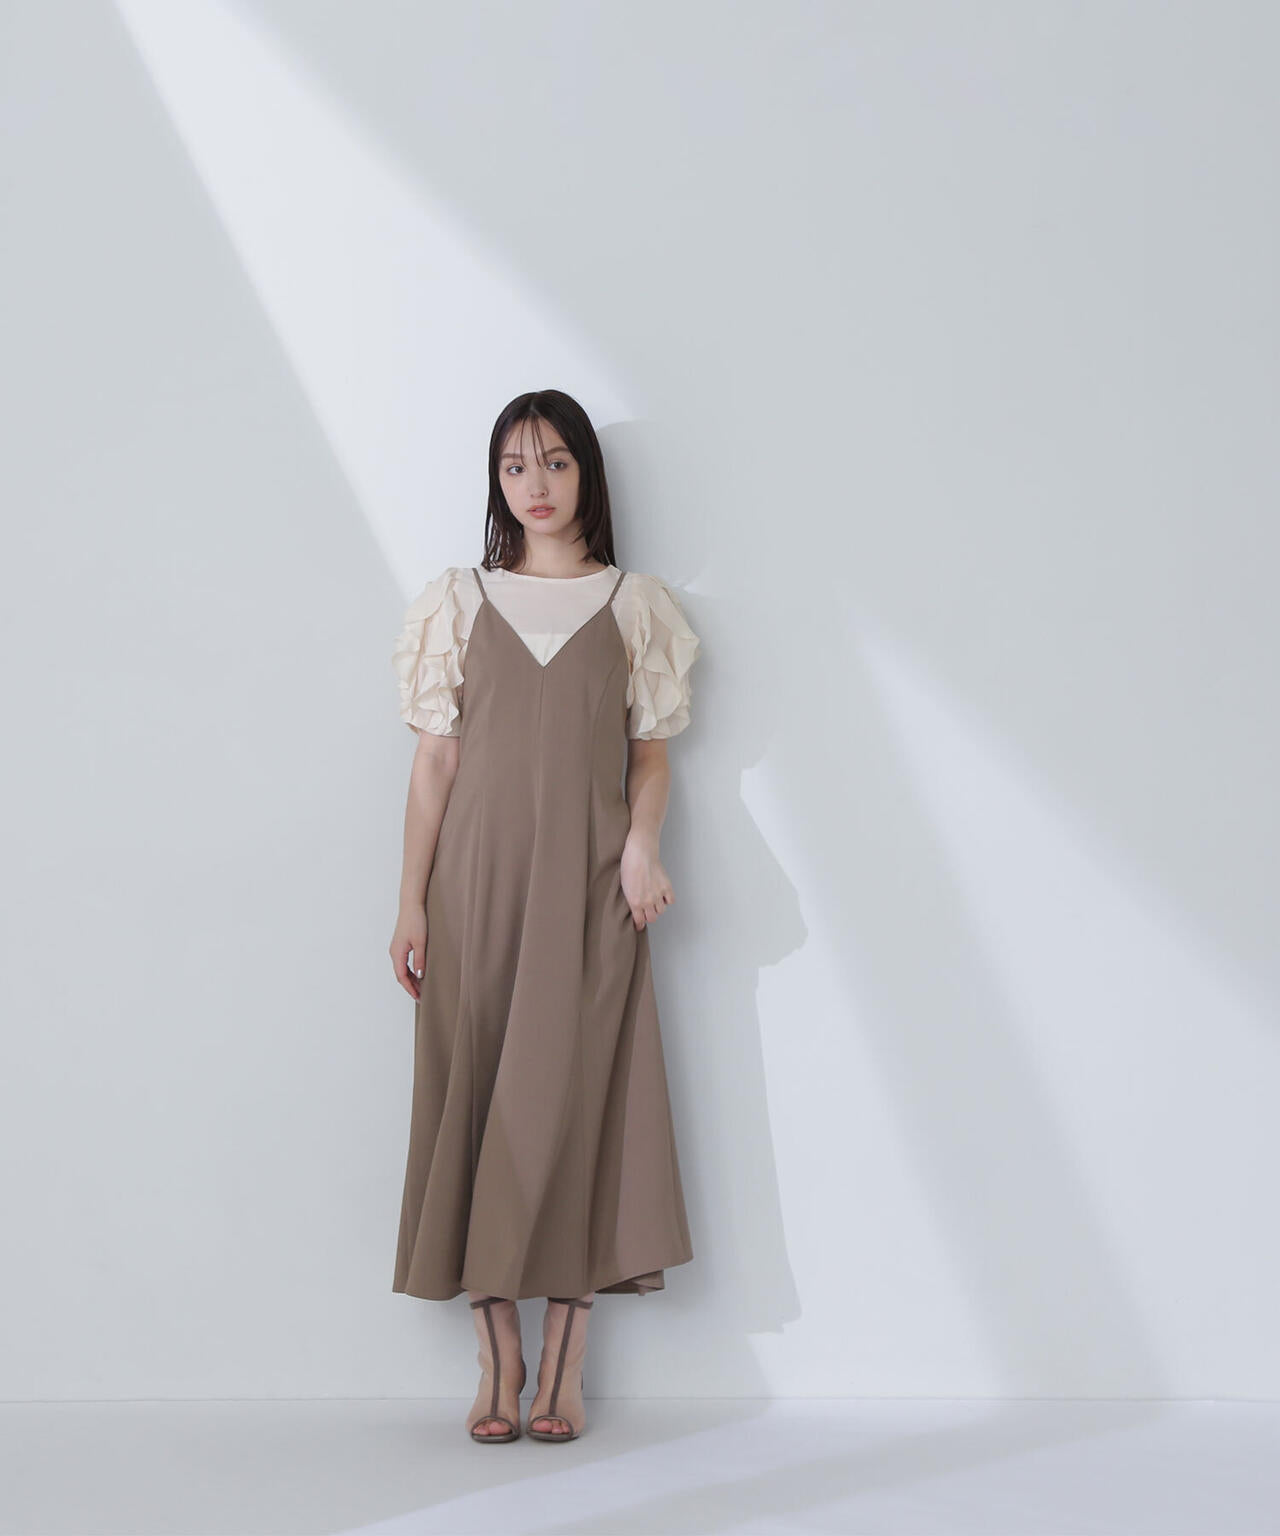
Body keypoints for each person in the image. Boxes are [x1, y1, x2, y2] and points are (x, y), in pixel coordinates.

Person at [388, 389, 700, 1444]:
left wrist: (641, 846)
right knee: (477, 1093)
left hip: (592, 889)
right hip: (474, 887)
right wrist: (409, 901)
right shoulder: (458, 601)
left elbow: (650, 758)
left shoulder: (635, 606)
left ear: (585, 478)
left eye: (556, 462)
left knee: (577, 1101)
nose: (536, 484)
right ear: (497, 481)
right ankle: (498, 1358)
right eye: (515, 466)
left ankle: (564, 1363)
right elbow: (434, 766)